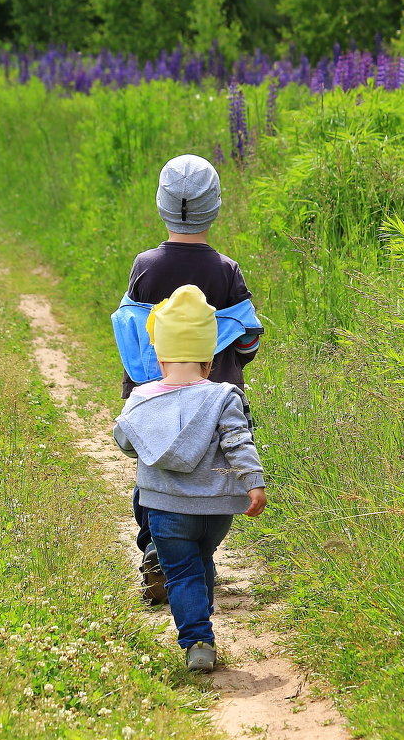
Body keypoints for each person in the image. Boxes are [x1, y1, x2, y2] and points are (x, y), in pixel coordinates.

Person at [112, 154, 263, 605]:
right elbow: (247, 338)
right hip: (212, 399)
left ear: (161, 204)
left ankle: (158, 548)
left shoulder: (146, 265)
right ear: (214, 206)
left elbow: (131, 329)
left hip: (152, 394)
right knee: (211, 470)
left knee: (153, 474)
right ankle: (199, 554)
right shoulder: (225, 269)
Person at [113, 285, 267, 672]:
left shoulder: (141, 398)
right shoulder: (225, 396)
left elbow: (127, 443)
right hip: (216, 508)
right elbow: (238, 441)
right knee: (202, 559)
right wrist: (254, 482)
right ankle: (203, 617)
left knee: (181, 572)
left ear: (160, 358)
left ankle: (198, 640)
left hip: (165, 506)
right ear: (209, 360)